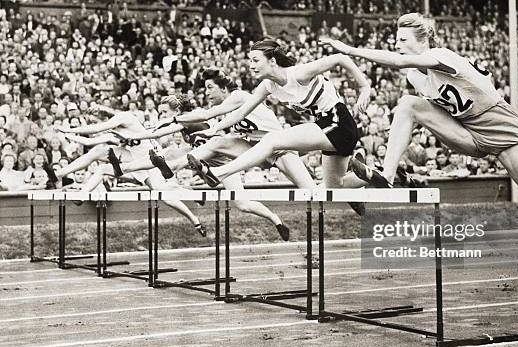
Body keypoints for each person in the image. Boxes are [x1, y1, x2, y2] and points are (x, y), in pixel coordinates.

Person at [320, 12, 518, 293]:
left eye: (402, 39)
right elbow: (432, 107)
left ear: (421, 40)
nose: (396, 43)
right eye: (395, 38)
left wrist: (350, 50)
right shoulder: (415, 76)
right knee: (407, 105)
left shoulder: (442, 56)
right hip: (467, 133)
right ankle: (387, 174)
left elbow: (401, 60)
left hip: (501, 129)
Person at [99, 71, 305, 240]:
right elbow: (160, 129)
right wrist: (129, 136)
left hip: (257, 152)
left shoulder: (227, 102)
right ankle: (142, 170)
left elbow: (167, 127)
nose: (163, 116)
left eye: (165, 112)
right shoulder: (209, 115)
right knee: (174, 155)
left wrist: (160, 126)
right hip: (237, 154)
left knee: (248, 201)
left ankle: (274, 218)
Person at [189, 40, 372, 196]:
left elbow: (340, 58)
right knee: (333, 189)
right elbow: (241, 113)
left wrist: (364, 87)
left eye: (255, 60)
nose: (251, 65)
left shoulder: (299, 73)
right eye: (249, 61)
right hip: (325, 127)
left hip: (338, 122)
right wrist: (214, 129)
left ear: (273, 61)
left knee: (272, 140)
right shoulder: (268, 86)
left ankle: (220, 173)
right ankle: (375, 175)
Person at [50, 100, 207, 237]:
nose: (95, 122)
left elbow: (96, 129)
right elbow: (90, 142)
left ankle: (195, 218)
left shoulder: (124, 117)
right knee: (100, 161)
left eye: (94, 118)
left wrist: (70, 130)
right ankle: (74, 189)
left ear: (102, 115)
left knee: (165, 195)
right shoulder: (113, 133)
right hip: (136, 162)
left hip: (152, 161)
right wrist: (67, 135)